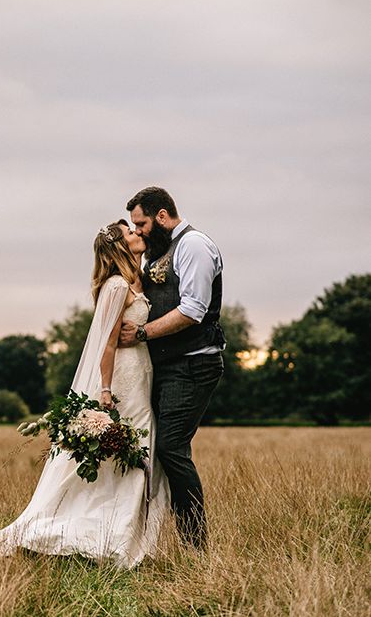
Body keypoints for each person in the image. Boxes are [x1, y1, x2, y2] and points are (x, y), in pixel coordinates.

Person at [0, 221, 170, 568]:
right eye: (131, 233)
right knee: (132, 447)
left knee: (138, 448)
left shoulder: (135, 280)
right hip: (123, 380)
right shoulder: (118, 285)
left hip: (141, 374)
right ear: (120, 247)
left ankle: (135, 529)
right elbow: (106, 345)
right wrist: (105, 390)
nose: (138, 234)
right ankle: (110, 530)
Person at [120, 187, 224, 549]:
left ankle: (197, 546)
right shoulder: (158, 253)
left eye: (143, 223)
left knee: (171, 448)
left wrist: (143, 333)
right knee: (156, 448)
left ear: (162, 216)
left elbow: (194, 310)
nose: (140, 231)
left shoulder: (193, 246)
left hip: (194, 363)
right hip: (165, 366)